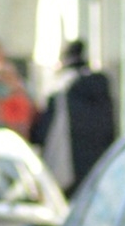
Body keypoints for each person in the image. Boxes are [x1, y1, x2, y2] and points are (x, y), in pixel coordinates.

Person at [32, 38, 117, 191]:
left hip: (67, 168)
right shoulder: (101, 86)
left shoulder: (59, 90)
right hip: (99, 164)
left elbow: (41, 133)